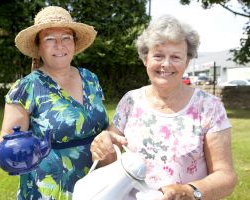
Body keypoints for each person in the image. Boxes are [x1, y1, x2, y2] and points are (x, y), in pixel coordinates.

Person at [0, 6, 109, 200]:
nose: (59, 45)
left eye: (66, 37)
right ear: (38, 46)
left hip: (99, 187)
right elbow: (10, 148)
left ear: (74, 43)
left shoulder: (90, 78)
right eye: (50, 39)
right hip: (48, 192)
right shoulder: (27, 87)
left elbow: (104, 127)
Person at [90, 15, 237, 200]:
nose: (166, 64)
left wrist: (190, 191)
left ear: (187, 62)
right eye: (158, 56)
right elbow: (108, 162)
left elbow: (226, 177)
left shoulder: (209, 107)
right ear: (145, 59)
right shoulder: (130, 101)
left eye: (175, 57)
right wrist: (103, 147)